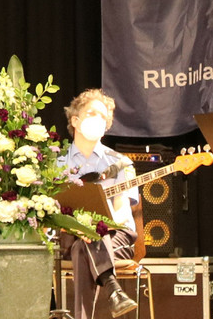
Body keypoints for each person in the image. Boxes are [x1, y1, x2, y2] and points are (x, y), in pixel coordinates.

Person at [59, 89, 140, 319]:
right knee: (78, 244)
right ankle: (113, 289)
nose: (98, 120)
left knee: (82, 248)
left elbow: (123, 213)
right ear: (75, 120)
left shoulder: (121, 163)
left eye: (103, 117)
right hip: (68, 235)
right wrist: (78, 228)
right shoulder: (57, 163)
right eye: (91, 113)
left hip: (115, 237)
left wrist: (97, 229)